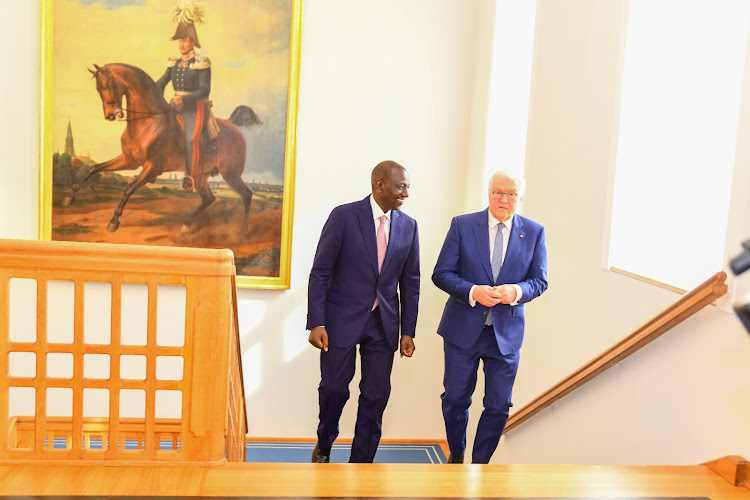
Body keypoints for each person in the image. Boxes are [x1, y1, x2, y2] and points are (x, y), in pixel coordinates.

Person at [307, 160, 420, 463]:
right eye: (401, 186)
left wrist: (408, 330)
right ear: (379, 184)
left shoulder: (409, 227)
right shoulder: (344, 216)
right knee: (334, 389)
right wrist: (316, 322)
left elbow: (411, 281)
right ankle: (325, 442)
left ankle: (362, 463)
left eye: (408, 187)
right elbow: (320, 272)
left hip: (383, 324)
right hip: (340, 320)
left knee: (376, 395)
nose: (406, 194)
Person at [432, 170, 547, 464]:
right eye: (497, 192)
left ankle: (479, 466)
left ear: (520, 199)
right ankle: (456, 455)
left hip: (505, 337)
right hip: (462, 332)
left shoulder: (534, 232)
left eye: (510, 194)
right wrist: (472, 291)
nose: (503, 199)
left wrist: (516, 291)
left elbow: (539, 281)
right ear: (488, 192)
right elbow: (441, 273)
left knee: (499, 406)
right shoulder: (463, 225)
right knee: (456, 399)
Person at [156, 8, 211, 191]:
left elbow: (204, 91)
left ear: (192, 42)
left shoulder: (201, 63)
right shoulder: (174, 64)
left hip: (194, 108)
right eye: (179, 41)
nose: (181, 44)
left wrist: (184, 100)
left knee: (190, 139)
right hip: (175, 105)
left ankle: (190, 177)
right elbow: (162, 83)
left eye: (185, 40)